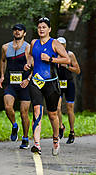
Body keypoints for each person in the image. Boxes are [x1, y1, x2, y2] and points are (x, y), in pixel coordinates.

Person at [24, 17, 70, 155]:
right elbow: (31, 56)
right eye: (39, 27)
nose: (41, 30)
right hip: (36, 81)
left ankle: (56, 139)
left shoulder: (54, 43)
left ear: (49, 29)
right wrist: (29, 63)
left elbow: (66, 59)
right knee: (37, 111)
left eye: (44, 27)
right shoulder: (34, 42)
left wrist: (50, 59)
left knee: (52, 114)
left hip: (51, 83)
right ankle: (37, 144)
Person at [0, 24, 32, 149]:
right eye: (15, 30)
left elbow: (35, 66)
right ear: (13, 32)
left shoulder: (28, 47)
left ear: (24, 33)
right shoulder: (5, 47)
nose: (17, 32)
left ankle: (25, 138)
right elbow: (2, 61)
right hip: (10, 82)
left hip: (24, 84)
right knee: (8, 107)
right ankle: (14, 125)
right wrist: (2, 75)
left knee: (24, 113)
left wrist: (28, 79)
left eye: (20, 30)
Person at [56, 37, 81, 144]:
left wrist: (67, 66)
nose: (61, 46)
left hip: (69, 83)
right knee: (57, 108)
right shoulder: (53, 55)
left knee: (70, 108)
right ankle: (61, 126)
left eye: (62, 44)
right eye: (59, 44)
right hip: (58, 83)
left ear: (65, 45)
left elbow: (78, 70)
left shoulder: (70, 55)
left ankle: (72, 132)